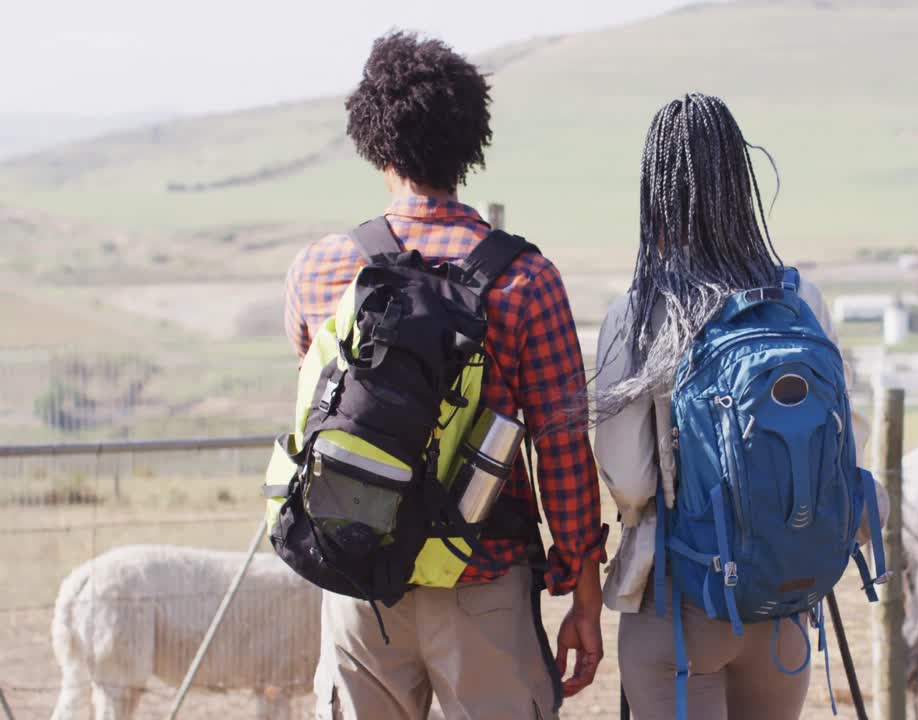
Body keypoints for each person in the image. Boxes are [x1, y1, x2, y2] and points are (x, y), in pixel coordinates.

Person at [284, 32, 607, 720]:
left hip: (358, 574)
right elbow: (563, 449)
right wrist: (582, 584)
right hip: (482, 580)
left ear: (374, 140)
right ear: (472, 142)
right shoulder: (525, 280)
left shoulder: (320, 270)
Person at [593, 93, 882, 720]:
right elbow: (846, 440)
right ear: (739, 182)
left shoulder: (640, 310)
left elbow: (632, 479)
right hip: (783, 599)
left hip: (680, 601)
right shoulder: (801, 299)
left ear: (657, 192)